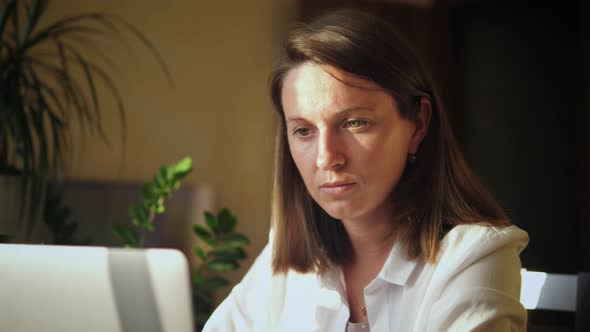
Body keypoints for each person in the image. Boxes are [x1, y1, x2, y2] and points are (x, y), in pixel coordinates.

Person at [203, 9, 528, 332]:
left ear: (417, 124)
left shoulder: (475, 258)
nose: (326, 158)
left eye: (355, 122)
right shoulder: (287, 259)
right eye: (304, 130)